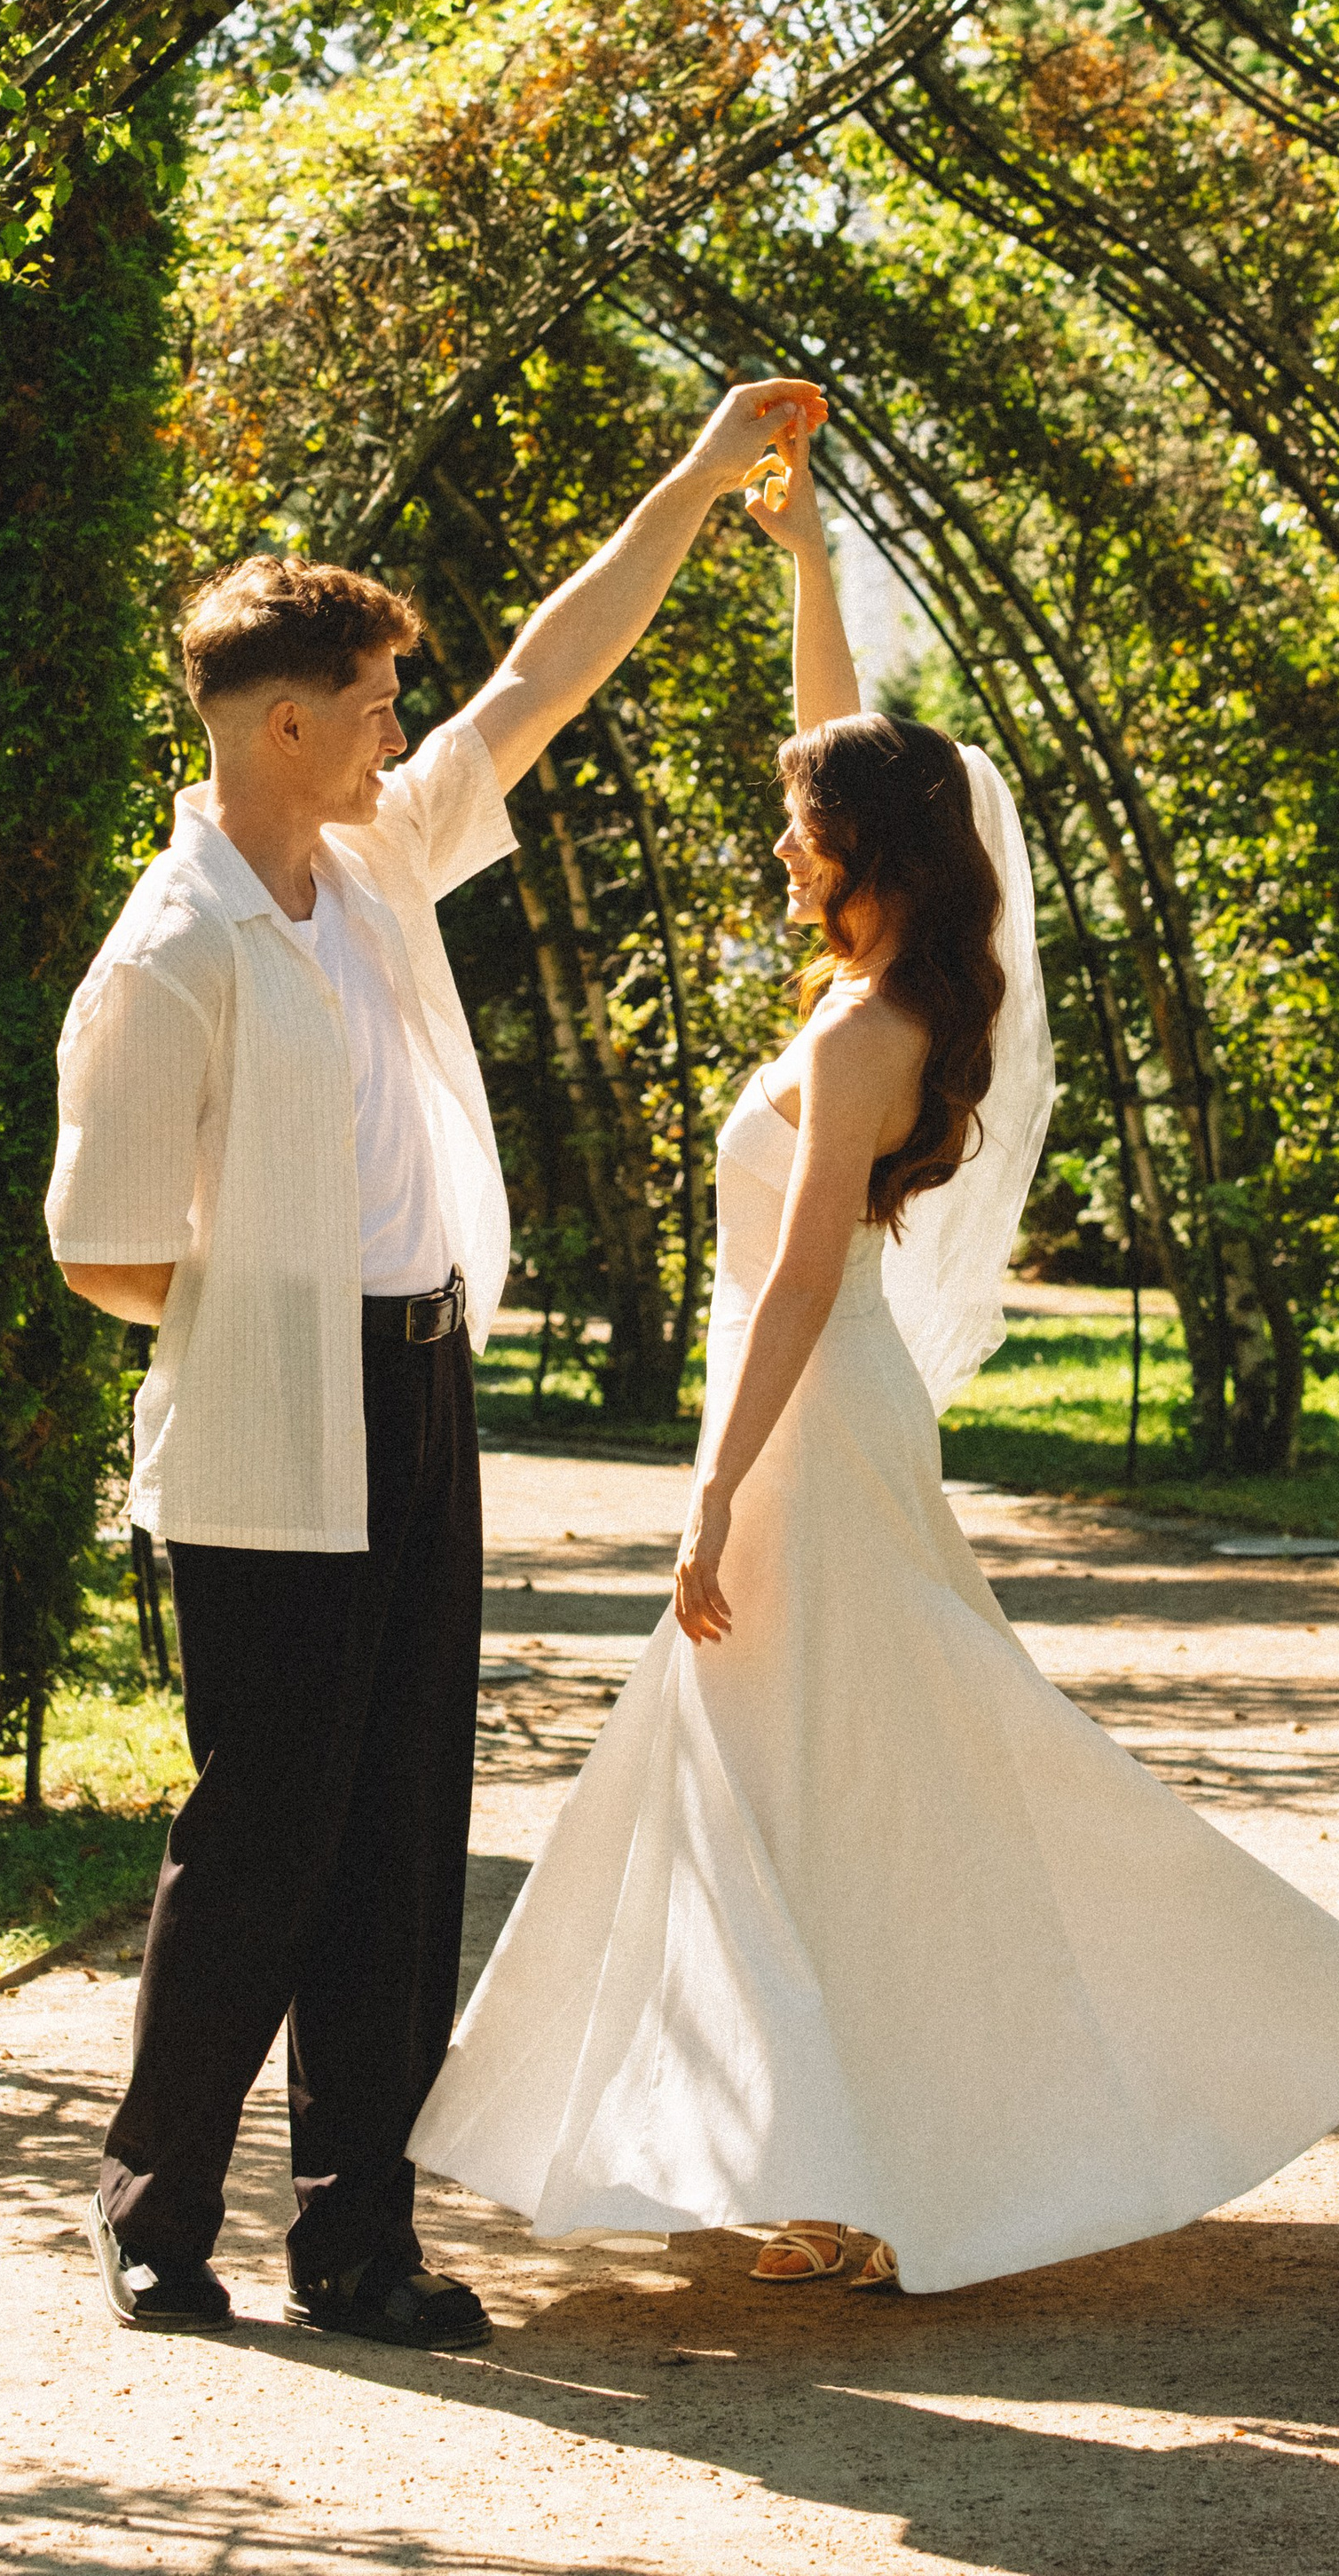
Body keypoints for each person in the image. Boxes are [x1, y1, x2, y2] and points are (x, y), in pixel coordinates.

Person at [411, 426, 1339, 2297]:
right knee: (811, 1776)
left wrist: (711, 1496)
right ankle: (821, 2150)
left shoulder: (858, 1034)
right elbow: (841, 735)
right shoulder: (868, 984)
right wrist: (806, 556)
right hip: (817, 1409)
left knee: (860, 1775)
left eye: (795, 825)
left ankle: (901, 2147)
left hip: (810, 1419)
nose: (775, 838)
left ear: (851, 856)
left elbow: (797, 1285)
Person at [45, 375, 826, 2346]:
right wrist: (279, 1329)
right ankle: (154, 2213)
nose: (407, 726)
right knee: (264, 1831)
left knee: (399, 1831)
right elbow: (106, 1250)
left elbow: (547, 680)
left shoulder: (375, 854)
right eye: (376, 699)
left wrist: (688, 474)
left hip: (417, 1395)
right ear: (284, 719)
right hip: (257, 1426)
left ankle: (359, 2242)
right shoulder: (170, 950)